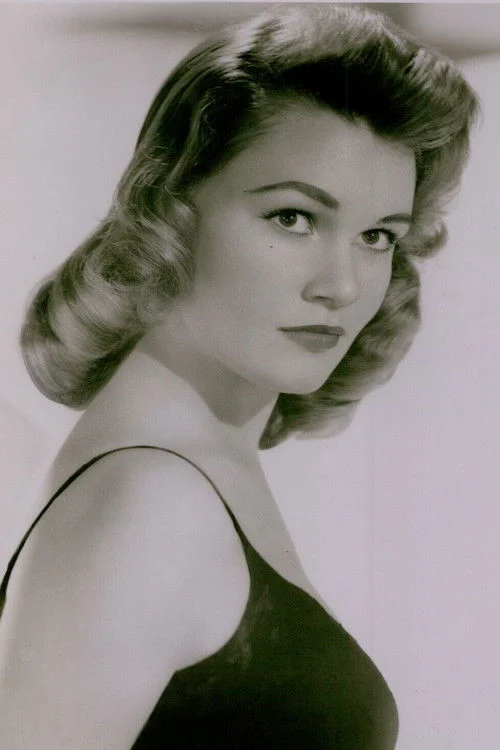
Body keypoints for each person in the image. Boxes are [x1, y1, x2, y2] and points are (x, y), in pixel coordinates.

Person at [0, 4, 478, 749]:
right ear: (170, 208)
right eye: (293, 218)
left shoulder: (191, 472)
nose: (342, 285)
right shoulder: (151, 501)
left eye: (377, 236)